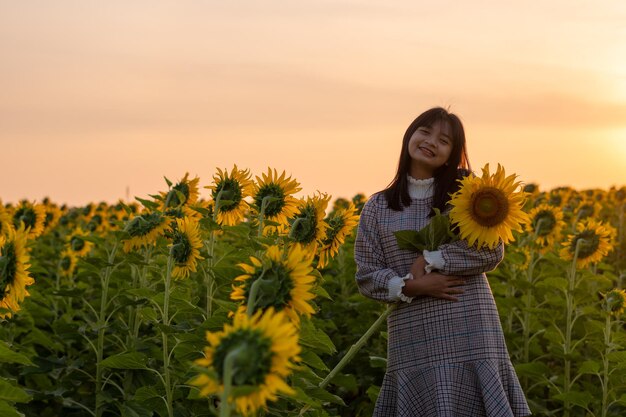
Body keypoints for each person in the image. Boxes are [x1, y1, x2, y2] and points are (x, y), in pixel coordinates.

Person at [354, 107, 531, 417]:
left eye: (444, 140)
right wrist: (413, 285)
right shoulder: (378, 207)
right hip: (413, 332)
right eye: (425, 131)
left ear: (453, 154)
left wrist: (434, 258)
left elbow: (491, 251)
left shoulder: (466, 193)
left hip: (470, 326)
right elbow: (367, 275)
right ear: (410, 134)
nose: (431, 141)